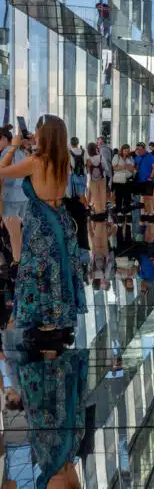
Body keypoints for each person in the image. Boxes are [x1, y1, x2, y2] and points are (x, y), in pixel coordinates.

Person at [0, 116, 85, 333]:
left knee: (39, 270)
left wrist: (13, 147)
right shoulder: (63, 158)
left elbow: (2, 170)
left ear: (44, 134)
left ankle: (46, 317)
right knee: (58, 267)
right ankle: (58, 315)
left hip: (41, 223)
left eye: (38, 130)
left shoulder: (35, 162)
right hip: (61, 218)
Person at [0, 126, 27, 269]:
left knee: (14, 234)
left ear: (5, 139)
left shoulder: (6, 153)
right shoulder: (20, 152)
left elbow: (2, 178)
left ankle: (17, 263)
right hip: (22, 197)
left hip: (9, 199)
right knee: (19, 233)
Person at [133, 141, 154, 219]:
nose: (138, 151)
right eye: (137, 149)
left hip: (148, 180)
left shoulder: (150, 156)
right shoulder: (136, 157)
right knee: (144, 197)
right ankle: (147, 212)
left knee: (149, 196)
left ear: (144, 149)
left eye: (140, 149)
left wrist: (151, 176)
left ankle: (151, 212)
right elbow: (135, 168)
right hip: (140, 180)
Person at [112, 143, 135, 218]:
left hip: (128, 180)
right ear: (122, 150)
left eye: (128, 151)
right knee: (119, 196)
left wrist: (128, 167)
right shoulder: (117, 157)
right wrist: (124, 166)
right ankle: (119, 210)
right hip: (119, 180)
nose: (126, 152)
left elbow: (133, 169)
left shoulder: (131, 158)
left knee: (127, 196)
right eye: (125, 151)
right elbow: (114, 167)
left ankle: (127, 211)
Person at [86, 142, 106, 214]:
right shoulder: (101, 157)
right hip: (102, 178)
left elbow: (88, 171)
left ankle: (98, 212)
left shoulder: (88, 159)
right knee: (102, 194)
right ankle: (103, 210)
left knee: (95, 196)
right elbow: (105, 167)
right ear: (95, 149)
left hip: (92, 180)